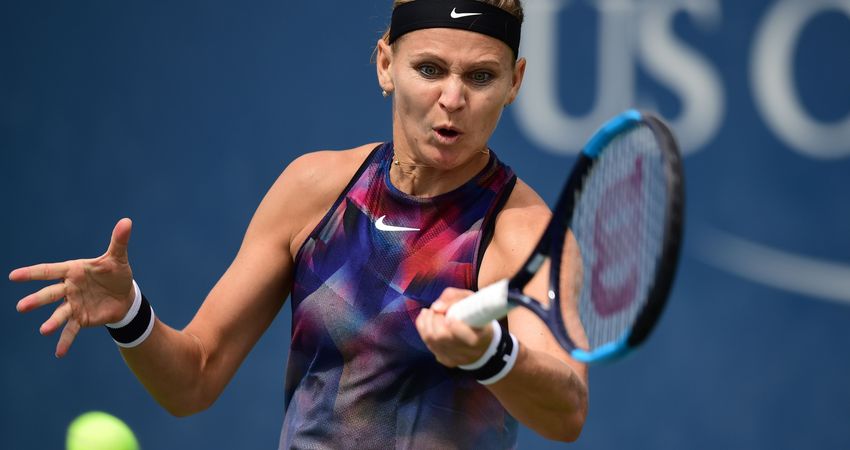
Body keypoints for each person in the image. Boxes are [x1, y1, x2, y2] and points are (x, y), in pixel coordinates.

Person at [11, 0, 588, 448]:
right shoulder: (315, 190)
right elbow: (195, 377)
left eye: (481, 77)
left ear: (515, 82)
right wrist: (130, 314)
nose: (453, 98)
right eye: (430, 69)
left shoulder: (526, 236)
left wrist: (491, 354)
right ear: (386, 64)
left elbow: (567, 412)